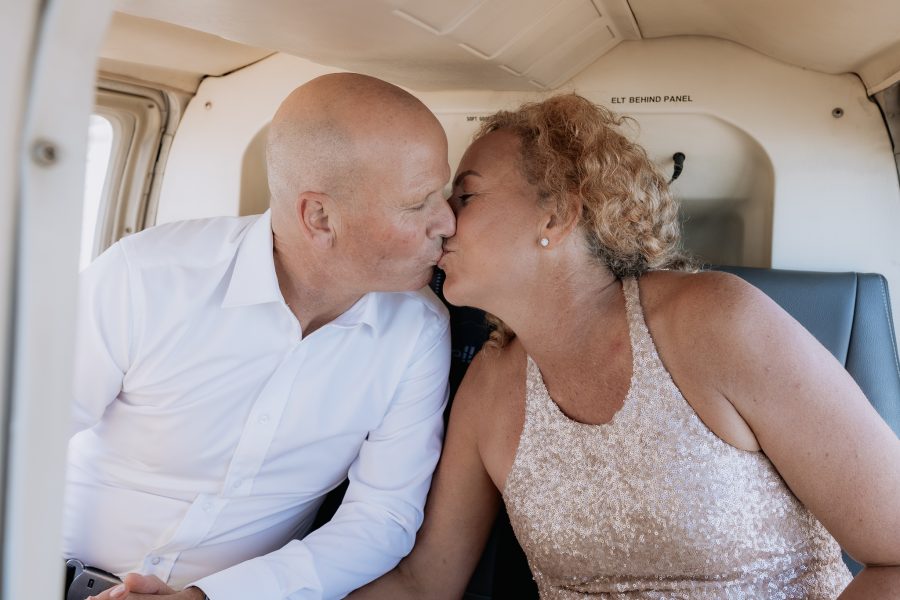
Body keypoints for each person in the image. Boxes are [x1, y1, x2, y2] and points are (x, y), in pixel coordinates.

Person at [350, 94, 900, 598]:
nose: (443, 220)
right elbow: (424, 584)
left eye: (465, 195)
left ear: (558, 213)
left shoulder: (716, 320)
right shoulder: (489, 386)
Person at [66, 72, 457, 600]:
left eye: (446, 195)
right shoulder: (144, 276)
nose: (448, 222)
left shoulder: (419, 333)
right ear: (319, 216)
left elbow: (381, 518)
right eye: (418, 204)